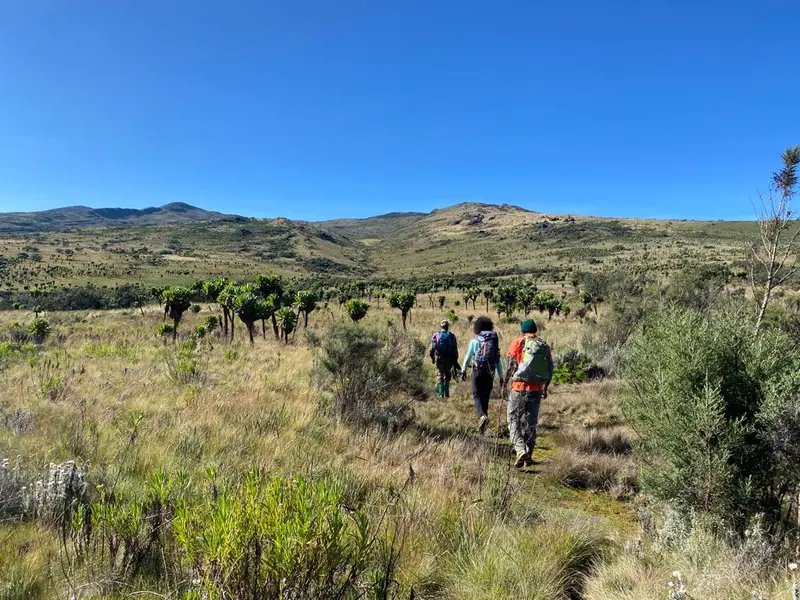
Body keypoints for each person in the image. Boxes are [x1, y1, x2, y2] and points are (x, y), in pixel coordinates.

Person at [506, 319, 553, 468]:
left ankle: (520, 449)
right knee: (531, 422)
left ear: (522, 330)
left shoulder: (518, 343)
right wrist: (545, 388)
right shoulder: (544, 346)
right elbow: (550, 369)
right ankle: (528, 455)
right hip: (536, 389)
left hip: (518, 387)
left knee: (512, 418)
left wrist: (505, 382)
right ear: (535, 329)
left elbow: (510, 364)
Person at [460, 316, 504, 434]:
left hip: (477, 371)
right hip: (490, 373)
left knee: (476, 394)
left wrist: (463, 370)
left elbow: (468, 356)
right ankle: (483, 423)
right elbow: (498, 361)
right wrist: (501, 377)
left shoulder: (474, 341)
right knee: (485, 397)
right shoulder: (494, 342)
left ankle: (482, 416)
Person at [429, 320, 459, 398]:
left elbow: (432, 349)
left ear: (441, 326)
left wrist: (432, 358)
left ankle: (440, 394)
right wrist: (455, 360)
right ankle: (447, 394)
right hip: (449, 358)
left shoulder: (436, 335)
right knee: (447, 375)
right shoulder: (452, 336)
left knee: (440, 375)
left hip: (439, 358)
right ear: (447, 327)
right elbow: (455, 349)